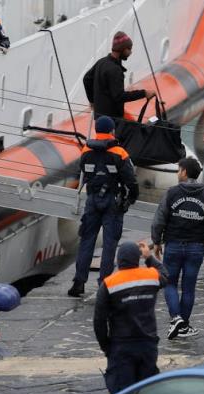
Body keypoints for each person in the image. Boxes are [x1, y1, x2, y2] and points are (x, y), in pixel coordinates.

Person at [68, 116, 139, 297]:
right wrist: (131, 198)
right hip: (113, 202)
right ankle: (104, 285)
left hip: (92, 200)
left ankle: (78, 282)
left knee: (86, 240)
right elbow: (131, 180)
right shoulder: (120, 153)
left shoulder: (85, 150)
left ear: (97, 130)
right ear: (111, 131)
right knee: (110, 244)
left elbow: (83, 170)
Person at [151, 157, 204, 339]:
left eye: (179, 169)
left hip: (173, 244)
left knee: (170, 283)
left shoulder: (172, 193)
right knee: (189, 288)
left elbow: (159, 220)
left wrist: (156, 241)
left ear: (184, 172)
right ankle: (184, 325)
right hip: (196, 247)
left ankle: (176, 318)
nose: (177, 173)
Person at [93, 241, 165, 394]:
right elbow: (165, 275)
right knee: (147, 392)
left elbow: (99, 320)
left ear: (119, 260)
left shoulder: (109, 283)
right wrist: (149, 257)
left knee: (124, 393)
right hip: (148, 344)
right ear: (136, 259)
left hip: (121, 345)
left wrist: (106, 347)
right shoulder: (151, 276)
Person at [83, 31, 155, 120]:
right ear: (123, 49)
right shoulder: (115, 70)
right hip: (112, 120)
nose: (131, 52)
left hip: (99, 118)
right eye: (129, 49)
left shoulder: (101, 62)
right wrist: (144, 93)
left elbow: (86, 79)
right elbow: (119, 96)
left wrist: (92, 101)